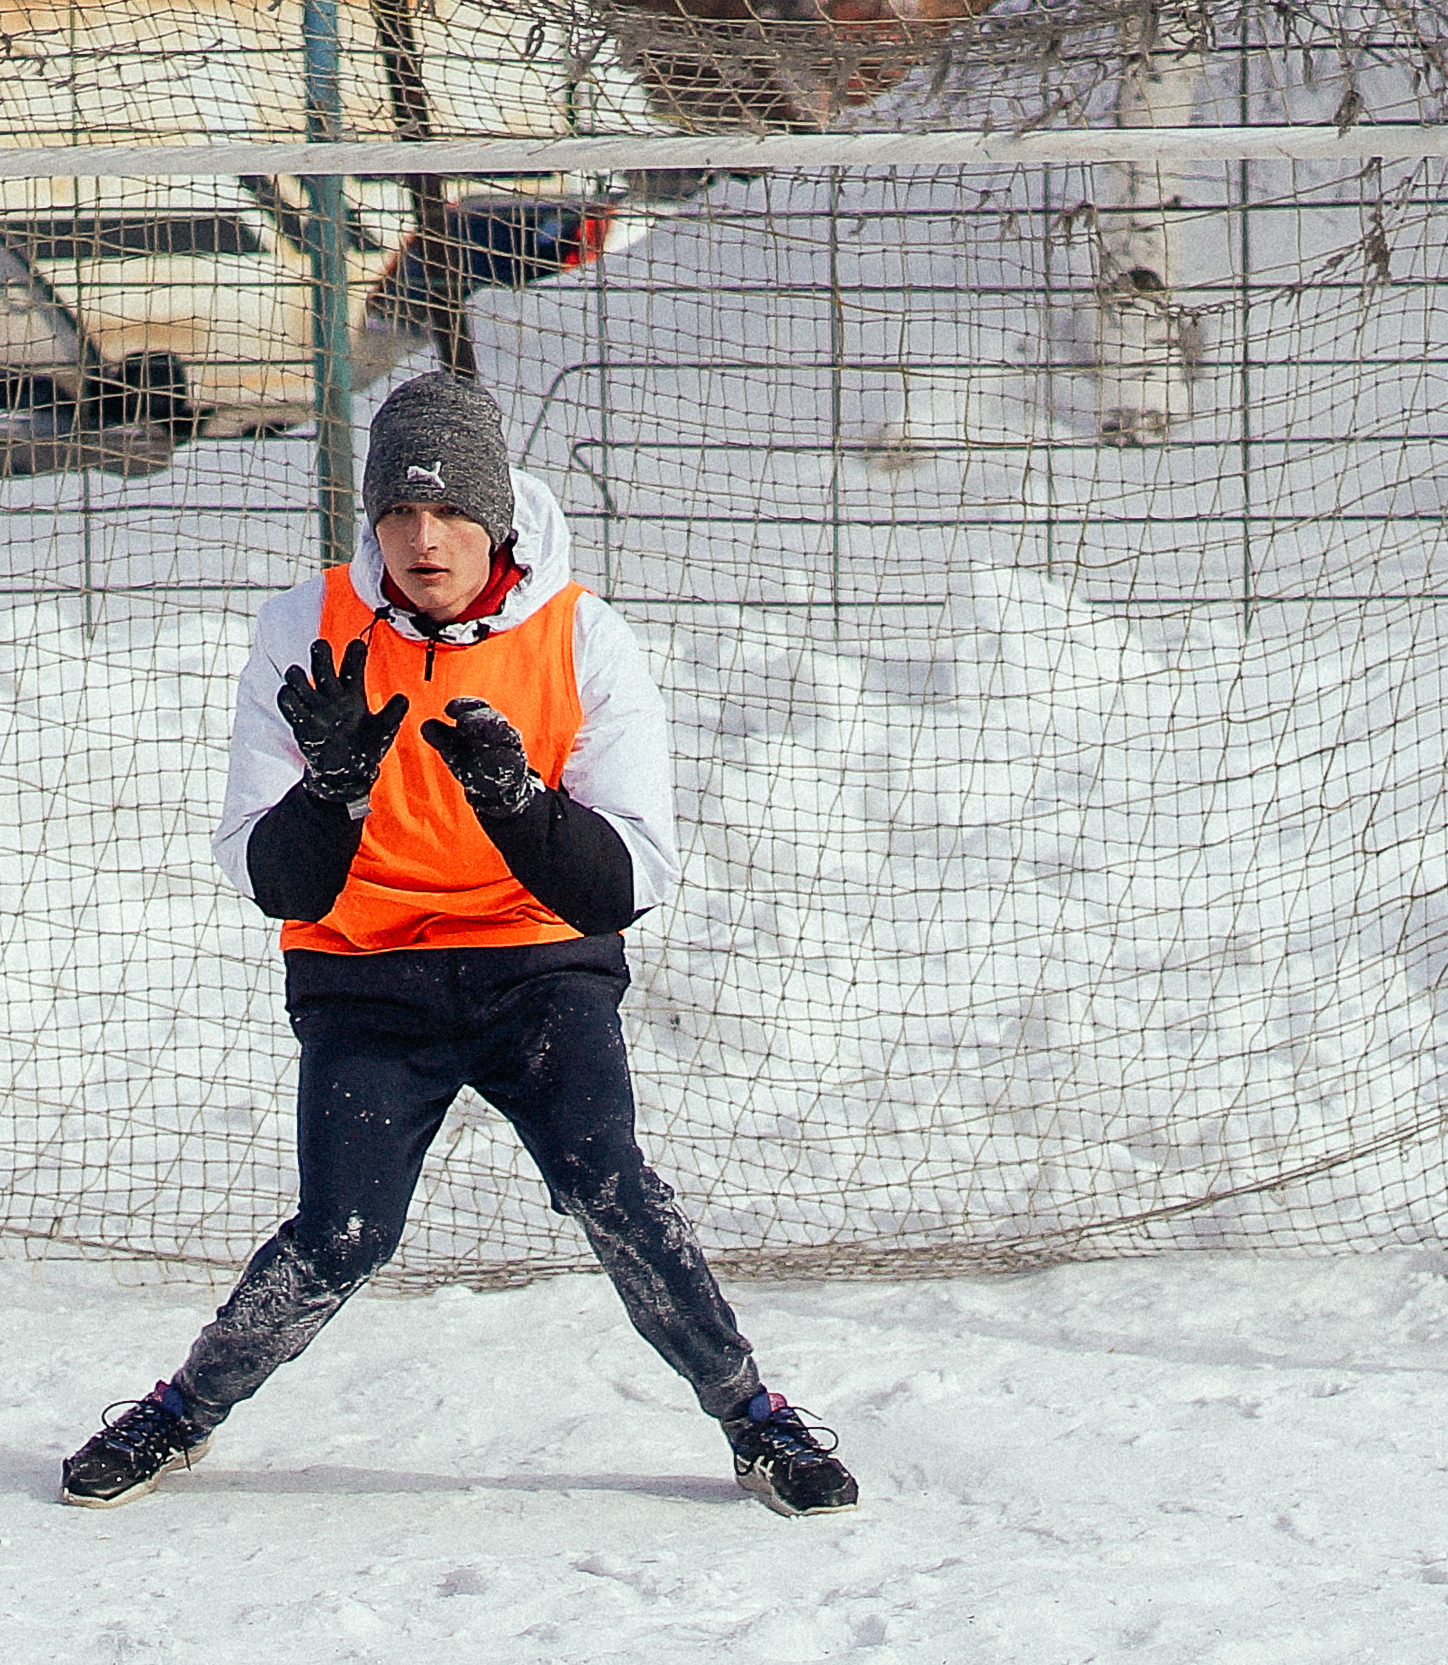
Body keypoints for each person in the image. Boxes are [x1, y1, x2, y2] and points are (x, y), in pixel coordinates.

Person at [60, 368, 859, 1517]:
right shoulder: (305, 627)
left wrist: (518, 804)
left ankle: (755, 1419)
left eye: (446, 513)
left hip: (535, 968)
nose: (420, 540)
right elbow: (260, 872)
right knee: (342, 1232)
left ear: (494, 518)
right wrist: (328, 795)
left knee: (610, 1186)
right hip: (365, 977)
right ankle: (181, 1411)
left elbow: (628, 880)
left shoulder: (581, 638)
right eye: (396, 514)